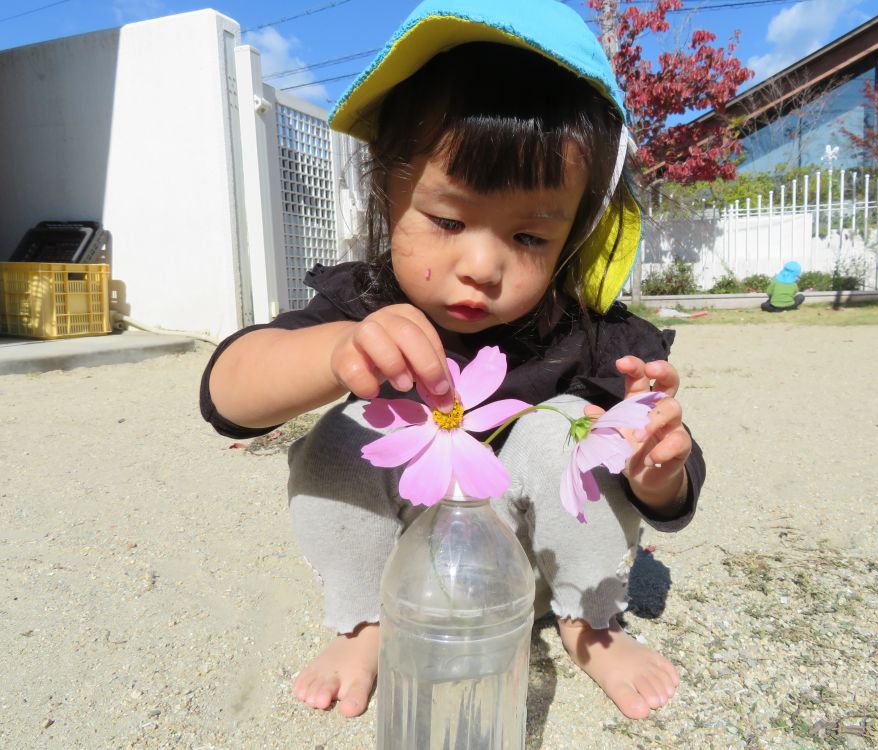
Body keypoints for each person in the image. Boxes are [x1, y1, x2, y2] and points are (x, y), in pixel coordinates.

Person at [201, 0, 705, 723]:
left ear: (577, 235)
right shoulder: (365, 305)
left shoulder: (596, 338)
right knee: (346, 431)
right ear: (389, 189)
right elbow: (227, 395)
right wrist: (338, 350)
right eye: (447, 220)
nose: (481, 265)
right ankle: (365, 618)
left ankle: (588, 621)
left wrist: (659, 473)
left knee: (564, 425)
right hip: (411, 570)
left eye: (530, 236)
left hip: (533, 572)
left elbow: (673, 486)